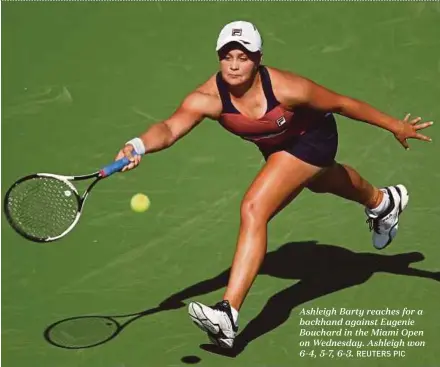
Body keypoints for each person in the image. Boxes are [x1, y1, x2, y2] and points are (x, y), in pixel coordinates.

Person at [114, 20, 433, 349]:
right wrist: (137, 146)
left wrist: (395, 125)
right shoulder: (207, 98)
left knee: (254, 208)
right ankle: (383, 202)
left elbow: (341, 103)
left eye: (243, 56)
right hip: (276, 145)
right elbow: (168, 128)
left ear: (258, 58)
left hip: (313, 138)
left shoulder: (287, 88)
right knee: (321, 180)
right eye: (227, 57)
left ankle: (228, 313)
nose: (235, 64)